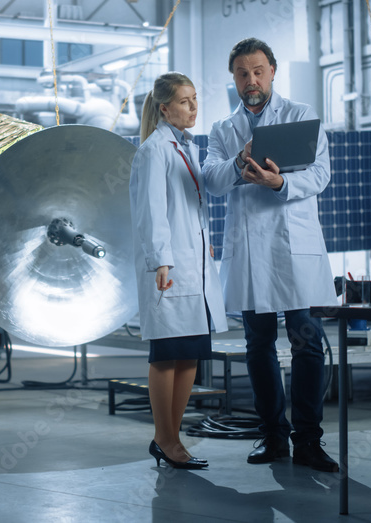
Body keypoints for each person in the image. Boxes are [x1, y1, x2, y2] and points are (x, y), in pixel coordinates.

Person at [201, 38, 339, 472]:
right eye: (242, 73)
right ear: (235, 79)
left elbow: (320, 174)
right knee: (258, 345)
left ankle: (309, 441)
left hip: (294, 247)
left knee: (307, 344)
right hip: (249, 253)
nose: (251, 80)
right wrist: (239, 162)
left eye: (258, 71)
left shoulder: (301, 116)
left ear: (273, 71)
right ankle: (273, 437)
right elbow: (210, 179)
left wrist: (280, 185)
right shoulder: (224, 131)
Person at [130, 72, 228, 469]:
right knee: (166, 354)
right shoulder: (155, 150)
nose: (193, 107)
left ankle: (171, 438)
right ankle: (166, 438)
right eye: (185, 102)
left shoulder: (187, 148)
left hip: (194, 267)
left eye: (194, 99)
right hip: (169, 268)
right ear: (164, 108)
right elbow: (151, 211)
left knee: (189, 355)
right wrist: (161, 260)